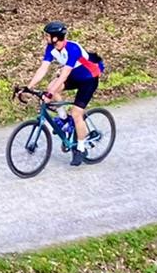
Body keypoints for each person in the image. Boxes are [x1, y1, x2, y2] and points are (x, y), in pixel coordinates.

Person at [25, 21, 102, 166]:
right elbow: (43, 68)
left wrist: (49, 94)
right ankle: (64, 119)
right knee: (50, 88)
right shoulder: (51, 48)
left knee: (77, 113)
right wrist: (29, 87)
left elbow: (64, 76)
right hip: (74, 76)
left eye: (47, 35)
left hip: (89, 79)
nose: (45, 37)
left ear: (55, 37)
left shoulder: (73, 49)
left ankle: (80, 148)